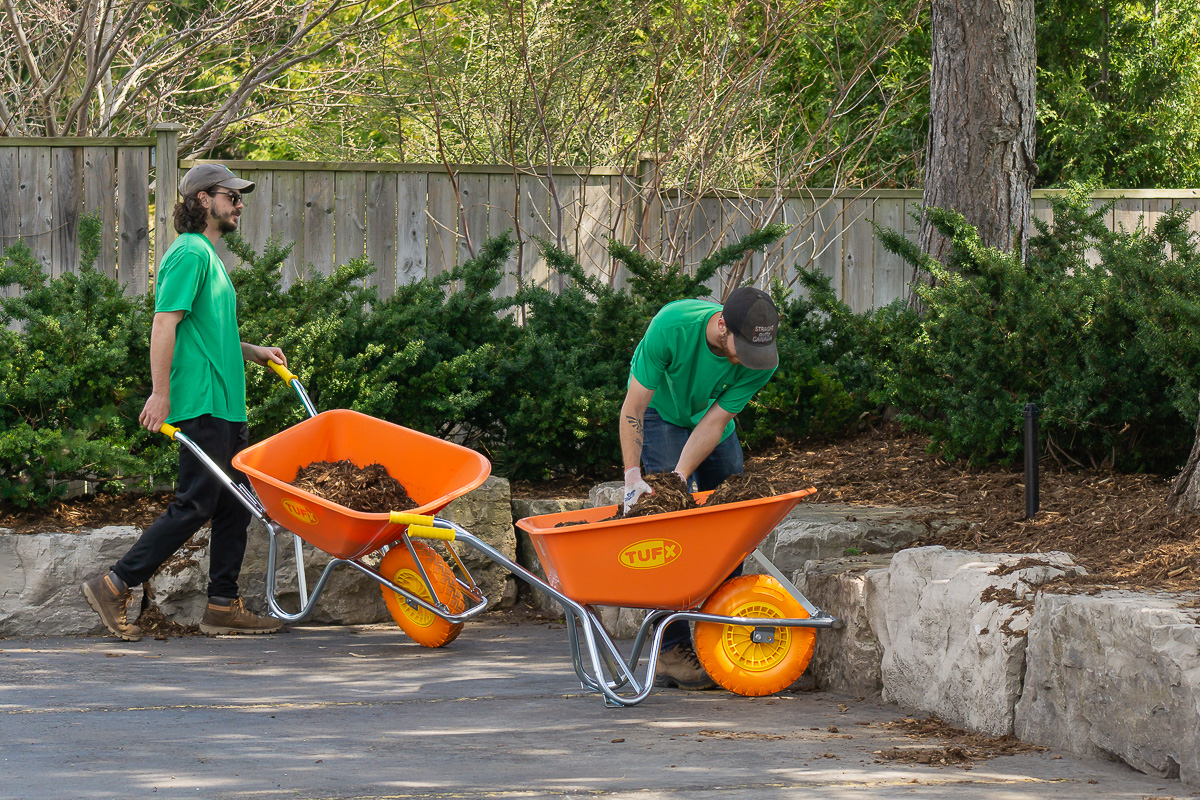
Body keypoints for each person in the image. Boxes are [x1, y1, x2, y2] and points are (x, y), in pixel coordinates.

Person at [82, 164, 287, 641]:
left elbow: (206, 333)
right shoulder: (191, 253)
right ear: (201, 200)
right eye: (229, 196)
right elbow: (164, 323)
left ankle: (222, 604)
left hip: (226, 405)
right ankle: (115, 584)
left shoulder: (210, 257)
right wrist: (160, 393)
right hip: (202, 403)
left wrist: (252, 351)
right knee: (195, 504)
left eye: (239, 197)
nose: (238, 204)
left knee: (237, 504)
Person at [619, 286, 780, 689]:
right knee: (666, 523)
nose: (745, 359)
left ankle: (719, 629)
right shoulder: (671, 326)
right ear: (721, 324)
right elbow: (634, 406)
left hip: (709, 419)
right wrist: (634, 476)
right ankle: (670, 648)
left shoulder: (762, 360)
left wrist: (680, 476)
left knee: (733, 513)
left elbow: (714, 422)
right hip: (661, 414)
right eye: (739, 347)